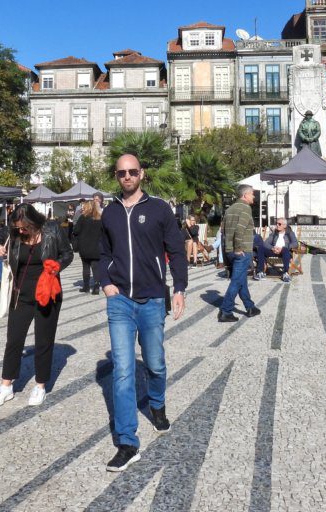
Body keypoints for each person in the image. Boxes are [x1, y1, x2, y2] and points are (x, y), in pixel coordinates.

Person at [97, 153, 187, 472]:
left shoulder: (159, 208)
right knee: (122, 370)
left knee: (155, 363)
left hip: (151, 300)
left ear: (142, 174)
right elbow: (101, 254)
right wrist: (106, 284)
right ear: (116, 175)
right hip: (120, 300)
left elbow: (176, 251)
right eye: (121, 172)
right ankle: (127, 442)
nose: (127, 176)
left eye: (132, 171)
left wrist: (179, 288)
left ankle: (157, 404)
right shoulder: (109, 213)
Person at [0, 203, 73, 408]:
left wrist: (57, 266)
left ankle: (40, 385)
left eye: (24, 227)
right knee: (14, 340)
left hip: (47, 294)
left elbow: (67, 254)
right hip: (21, 296)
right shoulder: (14, 231)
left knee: (44, 341)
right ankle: (6, 385)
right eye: (18, 227)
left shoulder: (52, 229)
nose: (21, 231)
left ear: (33, 221)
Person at [219, 185, 261, 322]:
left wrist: (227, 251)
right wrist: (238, 248)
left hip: (230, 250)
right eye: (252, 194)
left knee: (241, 280)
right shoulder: (245, 208)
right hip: (241, 251)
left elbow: (223, 231)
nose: (254, 196)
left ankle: (250, 307)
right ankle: (226, 311)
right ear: (245, 195)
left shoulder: (230, 209)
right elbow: (239, 230)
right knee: (236, 282)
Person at [71, 198, 103, 293]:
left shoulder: (83, 218)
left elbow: (76, 230)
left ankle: (86, 287)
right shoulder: (100, 218)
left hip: (84, 246)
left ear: (88, 207)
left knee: (85, 266)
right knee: (95, 266)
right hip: (97, 246)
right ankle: (97, 286)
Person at [265, 218, 298, 283]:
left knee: (285, 249)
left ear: (284, 225)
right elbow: (266, 243)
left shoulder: (290, 233)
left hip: (284, 252)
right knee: (261, 248)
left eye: (279, 224)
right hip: (274, 251)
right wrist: (273, 248)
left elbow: (295, 243)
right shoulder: (274, 233)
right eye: (276, 223)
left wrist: (283, 248)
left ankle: (285, 273)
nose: (277, 225)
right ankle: (260, 272)